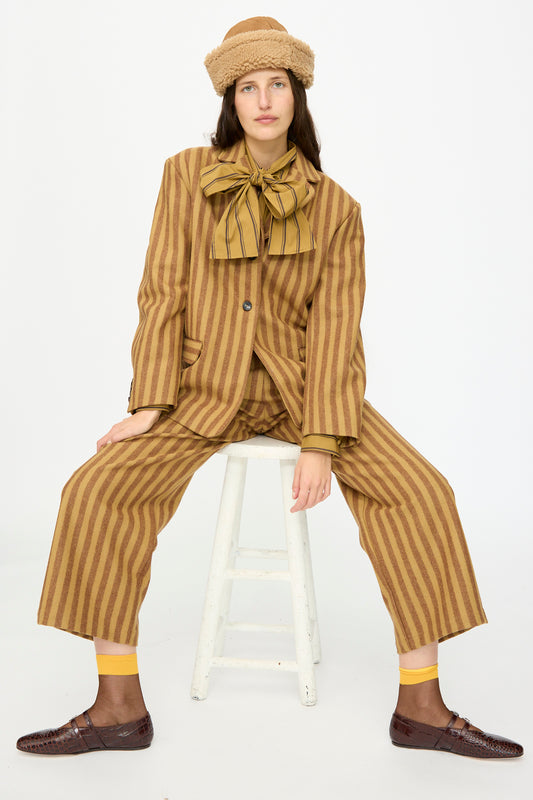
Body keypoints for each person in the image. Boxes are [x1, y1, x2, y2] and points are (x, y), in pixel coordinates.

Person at [17, 16, 522, 758]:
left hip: (306, 389)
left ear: (296, 95)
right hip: (200, 391)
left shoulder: (336, 207)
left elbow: (336, 332)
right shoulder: (185, 176)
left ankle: (422, 706)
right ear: (231, 97)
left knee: (421, 491)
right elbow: (161, 293)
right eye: (248, 86)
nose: (262, 99)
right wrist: (150, 404)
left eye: (276, 84)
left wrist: (319, 441)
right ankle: (115, 705)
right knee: (95, 489)